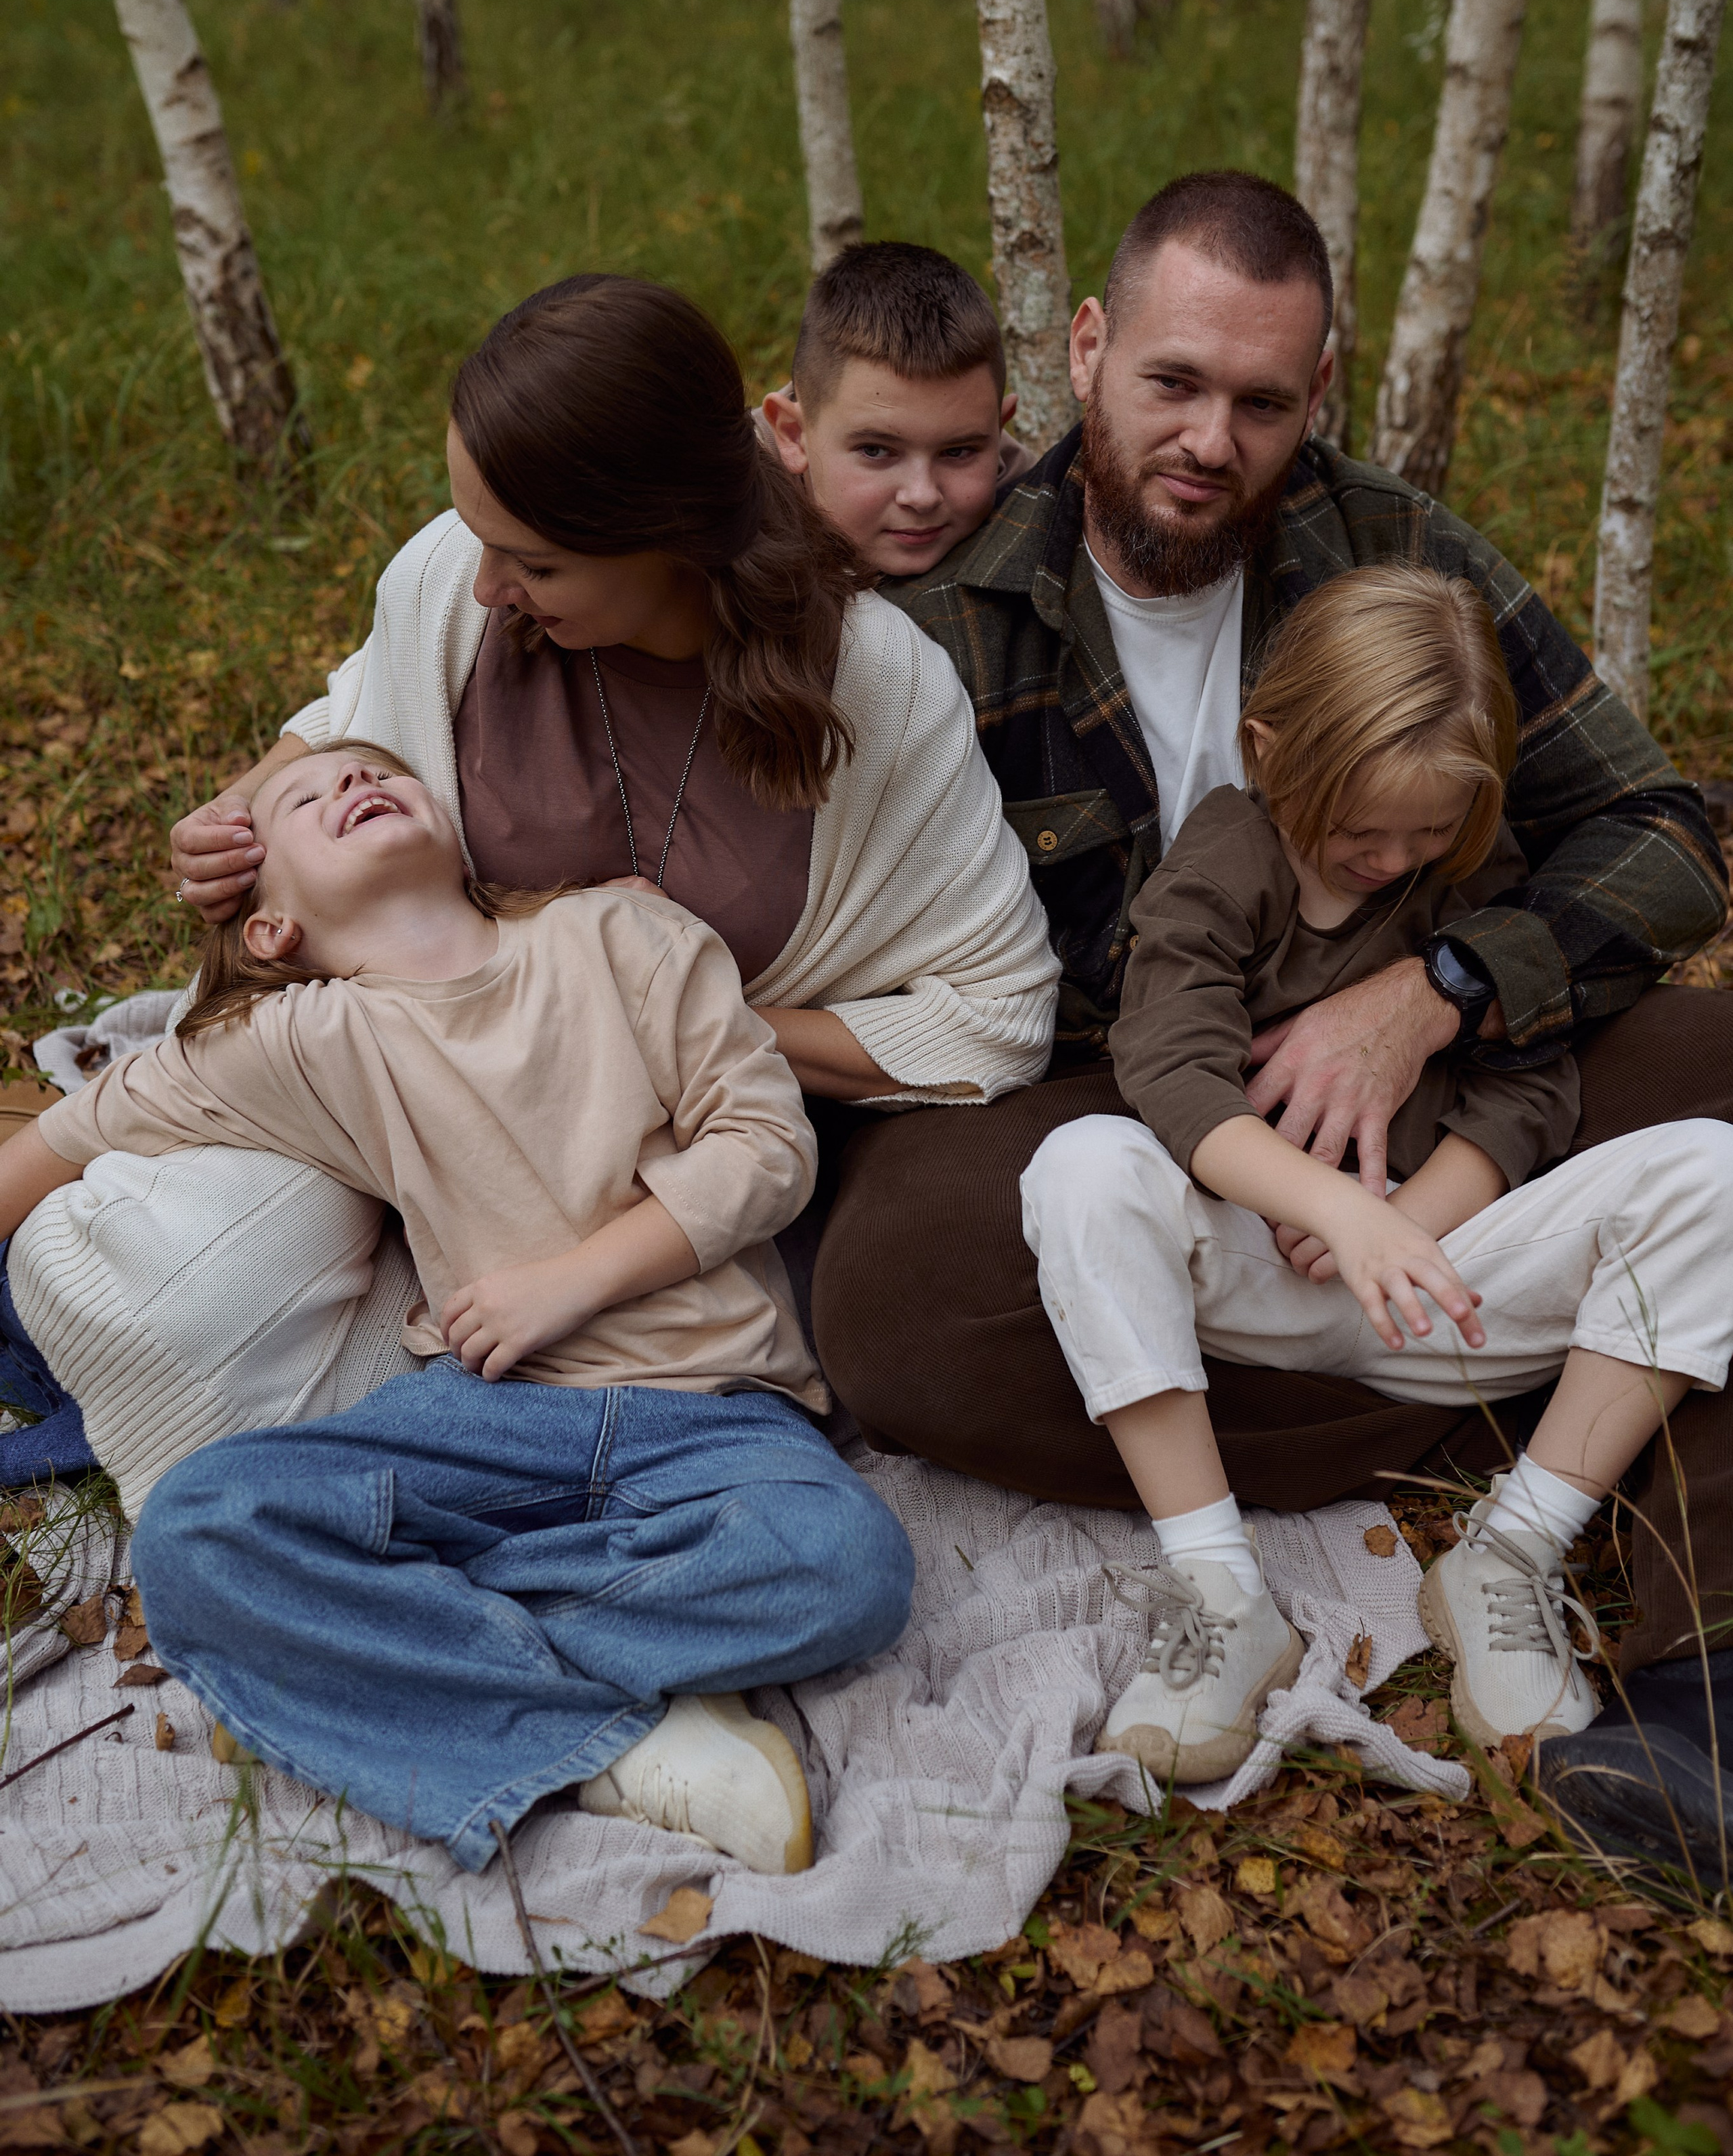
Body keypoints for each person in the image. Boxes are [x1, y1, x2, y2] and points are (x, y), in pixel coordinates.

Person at [810, 171, 1733, 1836]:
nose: (1206, 439)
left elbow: (1662, 832)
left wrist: (1438, 988)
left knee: (1721, 1089)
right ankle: (1461, 1407)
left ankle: (1692, 1672)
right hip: (1112, 1102)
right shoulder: (946, 607)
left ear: (1313, 395)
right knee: (885, 1296)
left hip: (1439, 1103)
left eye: (1256, 399)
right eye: (1169, 382)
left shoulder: (1382, 550)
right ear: (1086, 350)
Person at [6, 276, 1057, 1512]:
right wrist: (237, 820)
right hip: (415, 1112)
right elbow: (350, 719)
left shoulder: (879, 691)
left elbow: (997, 1014)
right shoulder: (457, 586)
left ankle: (449, 1477)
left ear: (672, 538)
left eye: (535, 561)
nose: (490, 583)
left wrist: (659, 1023)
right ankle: (334, 1473)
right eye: (483, 538)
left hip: (699, 1160)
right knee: (162, 1278)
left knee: (804, 1387)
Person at [0, 740, 915, 1876]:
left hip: (719, 1414)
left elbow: (769, 1147)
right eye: (304, 793)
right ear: (269, 927)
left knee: (848, 1563)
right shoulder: (301, 1040)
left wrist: (567, 1282)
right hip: (489, 1423)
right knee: (198, 1528)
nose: (348, 784)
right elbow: (63, 1136)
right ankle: (625, 1745)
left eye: (374, 771)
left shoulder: (625, 937)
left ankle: (371, 1665)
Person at [1022, 567, 1733, 1778]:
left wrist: (1409, 1226)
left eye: (1427, 833)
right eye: (1363, 830)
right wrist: (1334, 1209)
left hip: (1435, 1281)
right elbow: (1173, 1068)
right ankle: (1218, 1590)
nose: (1393, 858)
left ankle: (1510, 1551)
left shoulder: (1470, 870)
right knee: (1082, 1167)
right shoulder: (1225, 857)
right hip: (1250, 1269)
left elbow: (1530, 1084)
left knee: (1714, 1172)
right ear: (1268, 747)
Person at [760, 240, 1026, 580]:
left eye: (957, 452)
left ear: (999, 429)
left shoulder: (1036, 509)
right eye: (875, 451)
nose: (922, 496)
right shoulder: (719, 526)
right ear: (794, 436)